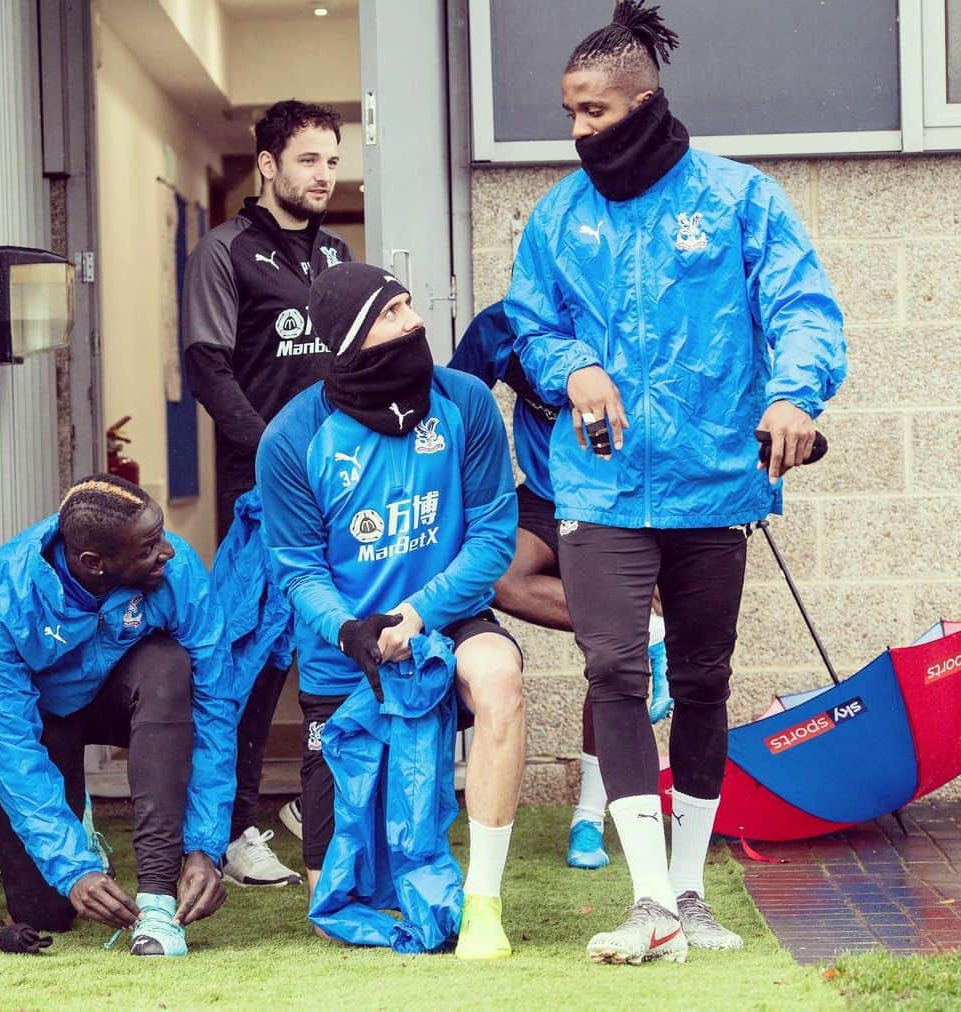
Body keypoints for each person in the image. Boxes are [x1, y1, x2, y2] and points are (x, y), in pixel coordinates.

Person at [506, 0, 846, 966]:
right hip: (600, 488)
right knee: (615, 669)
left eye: (595, 113)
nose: (578, 132)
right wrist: (572, 367)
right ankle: (647, 897)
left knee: (701, 681)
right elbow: (530, 328)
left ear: (646, 103)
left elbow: (804, 309)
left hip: (714, 484)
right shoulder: (557, 217)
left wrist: (793, 398)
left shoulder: (740, 199)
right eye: (569, 113)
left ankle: (689, 891)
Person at [256, 262, 524, 960]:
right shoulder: (290, 437)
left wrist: (420, 614)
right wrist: (351, 630)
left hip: (445, 618)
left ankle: (484, 904)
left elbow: (494, 534)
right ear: (351, 340)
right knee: (335, 906)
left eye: (409, 304)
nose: (414, 323)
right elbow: (297, 567)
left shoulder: (463, 400)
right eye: (391, 313)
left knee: (499, 676)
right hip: (346, 650)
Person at [0, 475, 239, 957]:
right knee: (45, 912)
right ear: (96, 563)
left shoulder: (177, 570)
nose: (168, 552)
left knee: (169, 666)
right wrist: (72, 869)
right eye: (149, 546)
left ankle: (157, 896)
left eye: (162, 534)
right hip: (46, 719)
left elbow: (216, 708)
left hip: (128, 693)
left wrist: (205, 847)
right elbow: (10, 747)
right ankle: (80, 832)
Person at [183, 99, 352, 886]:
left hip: (342, 491)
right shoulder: (225, 251)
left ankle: (323, 809)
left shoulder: (337, 256)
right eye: (309, 159)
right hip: (264, 494)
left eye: (332, 159)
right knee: (250, 662)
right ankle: (234, 826)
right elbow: (209, 369)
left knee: (329, 647)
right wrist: (279, 457)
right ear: (269, 164)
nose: (324, 174)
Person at [449, 302, 672, 871]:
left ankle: (590, 819)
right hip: (548, 496)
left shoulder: (631, 310)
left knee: (609, 661)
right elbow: (452, 407)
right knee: (501, 574)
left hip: (630, 499)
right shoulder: (504, 324)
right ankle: (643, 626)